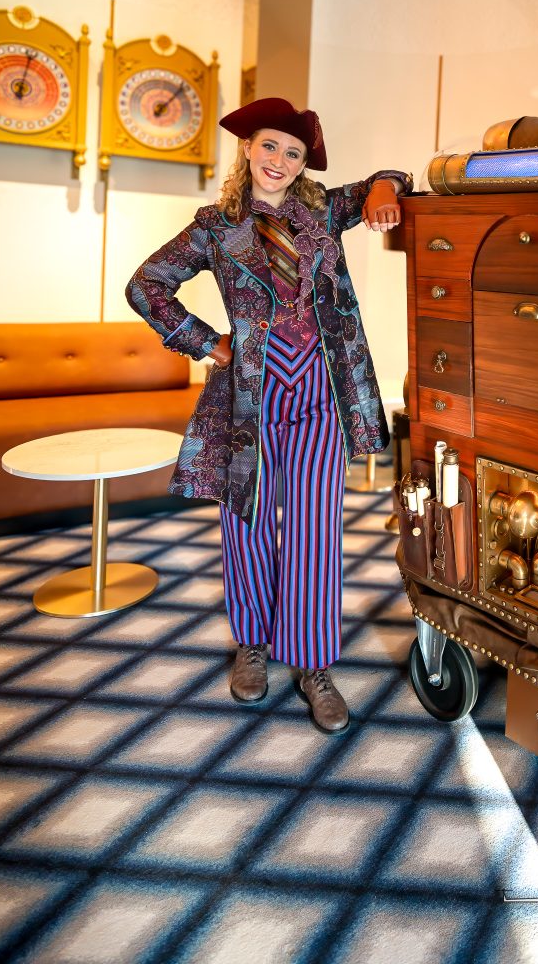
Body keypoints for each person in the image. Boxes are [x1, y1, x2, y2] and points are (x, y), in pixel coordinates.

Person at [126, 97, 411, 733]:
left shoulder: (323, 211)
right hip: (249, 395)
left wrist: (385, 188)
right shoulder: (213, 226)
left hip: (320, 390)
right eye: (270, 146)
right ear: (249, 149)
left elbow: (387, 178)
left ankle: (313, 664)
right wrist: (208, 343)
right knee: (246, 520)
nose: (279, 161)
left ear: (304, 163)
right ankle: (252, 644)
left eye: (294, 153)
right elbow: (146, 285)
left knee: (315, 528)